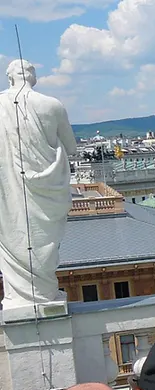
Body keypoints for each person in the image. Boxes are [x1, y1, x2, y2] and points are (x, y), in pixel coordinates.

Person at [0, 59, 76, 312]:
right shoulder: (52, 105)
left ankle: (23, 294)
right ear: (34, 77)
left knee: (16, 236)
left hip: (9, 193)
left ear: (10, 78)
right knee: (45, 243)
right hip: (47, 193)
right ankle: (43, 291)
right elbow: (72, 147)